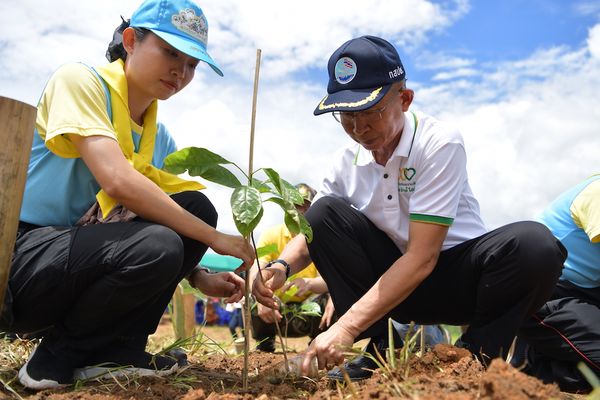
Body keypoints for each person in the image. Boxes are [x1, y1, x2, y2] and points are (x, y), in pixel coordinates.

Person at [252, 35, 567, 381]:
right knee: (325, 212)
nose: (359, 129)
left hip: (455, 279)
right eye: (346, 116)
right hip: (391, 286)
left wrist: (344, 327)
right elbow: (314, 229)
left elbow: (423, 257)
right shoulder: (346, 162)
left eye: (371, 112)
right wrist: (282, 265)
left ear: (404, 99)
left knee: (534, 245)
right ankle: (378, 355)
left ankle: (475, 360)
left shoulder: (438, 143)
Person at [0, 0, 254, 390]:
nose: (180, 71)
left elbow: (162, 218)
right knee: (161, 240)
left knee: (194, 207)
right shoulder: (80, 81)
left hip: (79, 259)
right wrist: (216, 239)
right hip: (23, 264)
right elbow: (118, 182)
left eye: (192, 64)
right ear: (132, 40)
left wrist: (199, 275)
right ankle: (54, 360)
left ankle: (118, 351)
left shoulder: (159, 138)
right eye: (171, 52)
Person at [514, 175, 600, 393]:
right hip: (545, 291)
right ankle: (537, 376)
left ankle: (538, 368)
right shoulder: (597, 191)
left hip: (584, 293)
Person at [249, 183, 335, 352]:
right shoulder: (271, 235)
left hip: (309, 310)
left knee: (332, 297)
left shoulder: (322, 238)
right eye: (295, 205)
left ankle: (318, 342)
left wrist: (308, 283)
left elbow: (330, 280)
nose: (300, 210)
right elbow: (256, 268)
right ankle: (265, 343)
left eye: (305, 205)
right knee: (253, 292)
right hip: (276, 308)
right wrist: (262, 296)